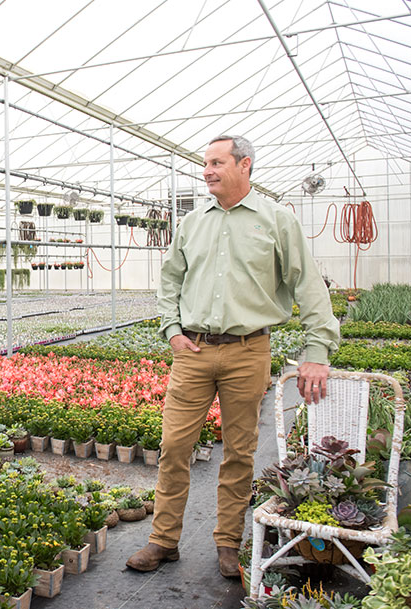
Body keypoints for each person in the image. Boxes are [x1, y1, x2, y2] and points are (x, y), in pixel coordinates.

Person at [125, 134, 340, 577]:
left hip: (248, 350)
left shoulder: (277, 219)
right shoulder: (191, 223)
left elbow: (309, 287)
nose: (207, 171)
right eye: (205, 163)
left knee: (239, 452)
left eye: (217, 162)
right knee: (173, 447)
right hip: (194, 351)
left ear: (244, 166)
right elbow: (169, 282)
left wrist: (316, 349)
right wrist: (171, 331)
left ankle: (227, 543)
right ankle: (163, 541)